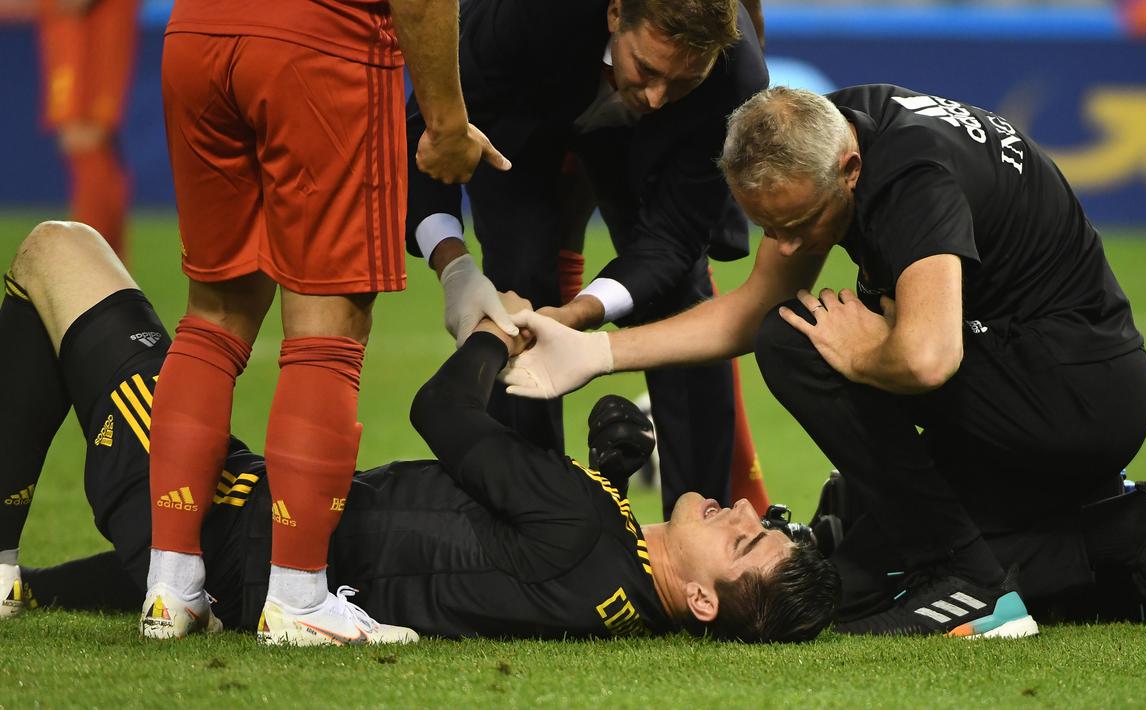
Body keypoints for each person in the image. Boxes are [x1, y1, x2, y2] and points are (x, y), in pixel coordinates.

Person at [499, 85, 1146, 637]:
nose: (783, 246)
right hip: (1034, 386)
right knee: (852, 581)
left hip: (1073, 402)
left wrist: (860, 345)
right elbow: (750, 307)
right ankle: (1136, 530)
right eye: (766, 227)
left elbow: (928, 357)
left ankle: (969, 580)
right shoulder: (828, 137)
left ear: (847, 170)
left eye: (795, 225)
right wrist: (596, 351)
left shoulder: (911, 177)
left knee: (798, 344)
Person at [0, 221, 839, 643]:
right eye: (759, 522)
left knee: (55, 249)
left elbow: (441, 414)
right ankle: (27, 587)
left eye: (740, 544)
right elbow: (507, 549)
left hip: (219, 515)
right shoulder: (610, 596)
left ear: (698, 602)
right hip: (254, 557)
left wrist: (493, 327)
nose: (740, 512)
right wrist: (606, 476)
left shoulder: (584, 529)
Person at [143, 0, 512, 644]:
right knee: (328, 326)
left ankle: (170, 590)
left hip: (197, 34)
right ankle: (298, 598)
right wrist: (449, 123)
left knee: (214, 316)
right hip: (317, 44)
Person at [405, 0, 769, 517]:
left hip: (642, 148)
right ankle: (530, 523)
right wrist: (454, 267)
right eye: (647, 69)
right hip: (529, 105)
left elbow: (671, 239)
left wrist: (577, 318)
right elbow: (428, 128)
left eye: (682, 83)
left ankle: (701, 530)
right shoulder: (521, 16)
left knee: (679, 299)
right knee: (519, 278)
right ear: (616, 13)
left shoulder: (732, 79)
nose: (659, 98)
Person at [37, 0, 138, 260]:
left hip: (92, 28)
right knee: (91, 148)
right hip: (79, 26)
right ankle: (111, 270)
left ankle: (93, 265)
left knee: (86, 139)